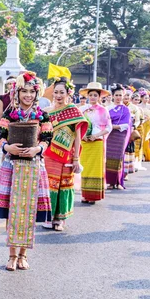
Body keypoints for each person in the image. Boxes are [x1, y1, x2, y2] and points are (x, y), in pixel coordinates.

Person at [0, 71, 53, 271]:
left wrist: (37, 149)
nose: (28, 95)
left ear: (37, 94)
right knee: (12, 211)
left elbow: (47, 139)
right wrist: (7, 148)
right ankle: (11, 256)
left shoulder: (42, 116)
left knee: (29, 210)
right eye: (24, 91)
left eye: (31, 91)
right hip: (12, 165)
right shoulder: (9, 114)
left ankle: (23, 255)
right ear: (16, 93)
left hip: (34, 165)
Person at [42, 77, 88, 231]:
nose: (58, 95)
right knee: (50, 184)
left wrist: (76, 158)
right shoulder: (47, 112)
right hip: (49, 153)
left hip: (67, 155)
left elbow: (76, 137)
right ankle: (48, 216)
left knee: (64, 185)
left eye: (62, 92)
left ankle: (60, 219)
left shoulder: (73, 111)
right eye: (56, 92)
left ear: (68, 93)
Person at [78, 82, 113, 204]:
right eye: (91, 95)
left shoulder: (104, 110)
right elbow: (78, 126)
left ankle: (93, 195)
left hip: (97, 142)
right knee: (84, 168)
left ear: (99, 97)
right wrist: (83, 136)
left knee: (95, 169)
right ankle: (84, 194)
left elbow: (109, 128)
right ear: (87, 96)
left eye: (95, 95)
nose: (93, 97)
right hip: (84, 142)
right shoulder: (82, 109)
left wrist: (96, 135)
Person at [123, 89, 141, 178]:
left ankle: (125, 172)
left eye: (127, 97)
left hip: (129, 132)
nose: (126, 98)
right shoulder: (118, 106)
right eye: (124, 96)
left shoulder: (134, 108)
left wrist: (134, 126)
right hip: (118, 132)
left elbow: (138, 120)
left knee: (127, 151)